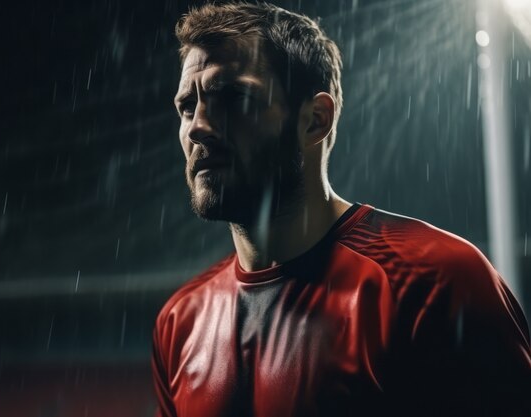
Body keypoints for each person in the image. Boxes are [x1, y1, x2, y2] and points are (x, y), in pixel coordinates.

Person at [151, 3, 531, 416]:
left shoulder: (434, 282)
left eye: (233, 98)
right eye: (187, 106)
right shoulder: (179, 322)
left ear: (315, 120)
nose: (198, 126)